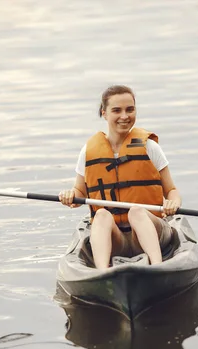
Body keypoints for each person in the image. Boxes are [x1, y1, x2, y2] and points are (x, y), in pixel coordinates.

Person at [59, 85, 181, 269]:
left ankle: (157, 267)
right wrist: (70, 196)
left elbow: (171, 191)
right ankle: (102, 272)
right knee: (100, 214)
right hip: (116, 238)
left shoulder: (149, 147)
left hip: (152, 230)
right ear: (104, 113)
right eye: (117, 110)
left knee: (136, 211)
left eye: (130, 109)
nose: (124, 116)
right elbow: (79, 194)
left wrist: (173, 203)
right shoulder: (89, 151)